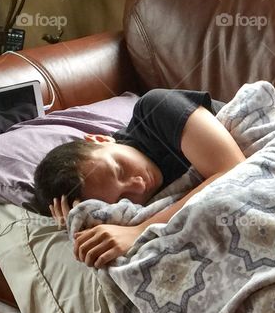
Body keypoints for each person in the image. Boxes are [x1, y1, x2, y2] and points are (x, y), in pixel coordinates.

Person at [33, 89, 245, 268]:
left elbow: (235, 170)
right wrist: (80, 223)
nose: (139, 185)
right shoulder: (138, 208)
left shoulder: (155, 110)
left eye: (120, 170)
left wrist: (139, 230)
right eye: (123, 199)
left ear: (100, 139)